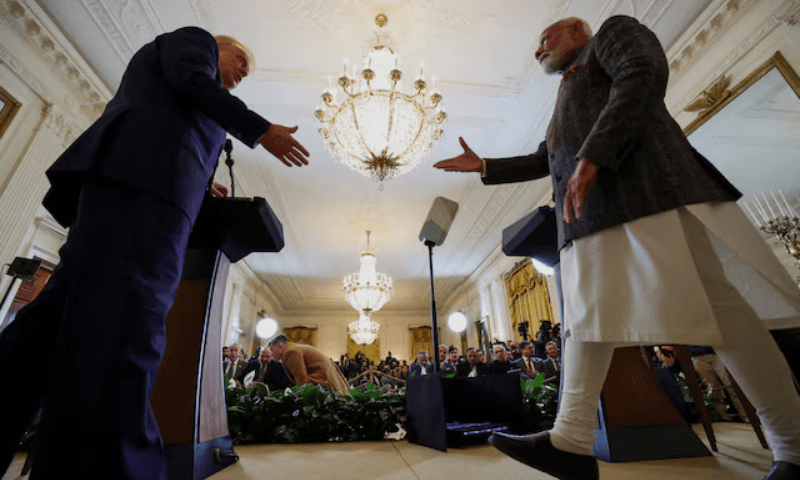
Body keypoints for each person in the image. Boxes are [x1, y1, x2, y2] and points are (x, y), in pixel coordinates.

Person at [434, 15, 800, 480]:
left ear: (576, 32)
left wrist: (595, 155)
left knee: (720, 311)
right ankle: (570, 441)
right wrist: (484, 163)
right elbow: (543, 158)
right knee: (587, 318)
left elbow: (643, 72)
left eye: (544, 39)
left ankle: (792, 444)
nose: (536, 50)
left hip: (648, 191)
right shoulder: (564, 96)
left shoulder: (611, 32)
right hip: (590, 215)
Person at [0, 27, 310, 480]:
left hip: (134, 190)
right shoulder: (194, 41)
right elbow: (190, 86)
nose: (244, 72)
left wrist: (202, 186)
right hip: (142, 190)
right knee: (133, 325)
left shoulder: (205, 106)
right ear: (216, 47)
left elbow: (178, 124)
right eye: (240, 60)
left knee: (52, 326)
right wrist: (261, 130)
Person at [268, 335, 351, 396]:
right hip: (332, 385)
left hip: (324, 388)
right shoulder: (295, 348)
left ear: (280, 345)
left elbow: (302, 380)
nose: (271, 354)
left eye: (272, 349)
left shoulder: (290, 352)